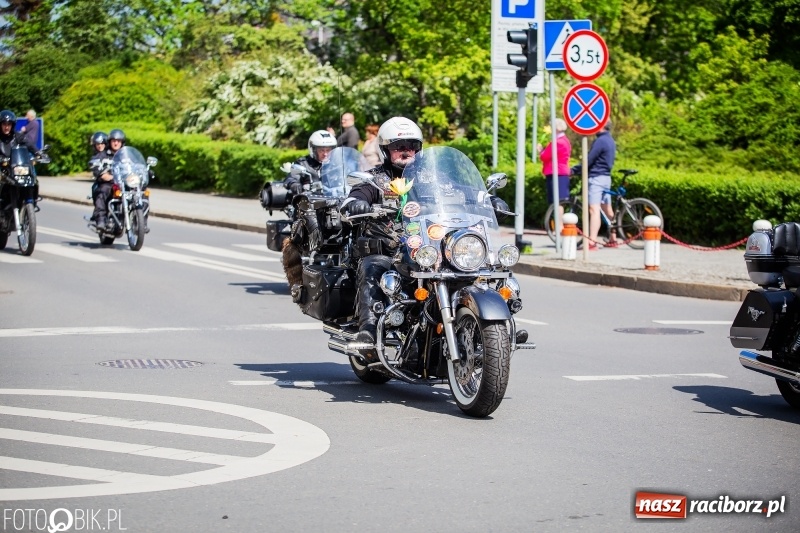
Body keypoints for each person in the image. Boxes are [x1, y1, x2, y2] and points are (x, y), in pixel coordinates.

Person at [338, 116, 422, 359]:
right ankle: (368, 329)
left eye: (412, 146)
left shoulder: (429, 178)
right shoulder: (375, 179)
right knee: (373, 265)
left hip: (426, 249)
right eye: (399, 146)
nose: (406, 151)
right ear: (386, 149)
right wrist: (355, 204)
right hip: (388, 251)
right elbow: (355, 196)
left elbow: (459, 192)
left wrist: (485, 199)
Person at [571, 120, 616, 250]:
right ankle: (613, 238)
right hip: (606, 177)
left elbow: (589, 159)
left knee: (594, 209)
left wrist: (575, 170)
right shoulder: (610, 140)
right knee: (607, 209)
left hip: (596, 178)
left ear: (601, 126)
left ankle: (592, 241)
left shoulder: (600, 141)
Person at [537, 118, 572, 234]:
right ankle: (558, 226)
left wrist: (540, 151)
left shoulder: (558, 142)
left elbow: (545, 156)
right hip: (560, 173)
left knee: (557, 202)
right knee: (559, 202)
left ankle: (559, 226)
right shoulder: (564, 141)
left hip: (556, 172)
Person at [90, 128, 126, 228]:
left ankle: (140, 222)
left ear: (122, 142)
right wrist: (103, 174)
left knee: (142, 193)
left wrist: (143, 170)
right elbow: (95, 163)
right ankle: (101, 219)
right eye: (114, 141)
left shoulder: (125, 154)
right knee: (102, 191)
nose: (116, 143)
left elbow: (135, 164)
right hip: (110, 183)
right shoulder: (103, 154)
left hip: (125, 183)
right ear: (110, 142)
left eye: (118, 141)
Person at [283, 130, 337, 195]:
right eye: (322, 150)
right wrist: (295, 185)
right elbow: (291, 178)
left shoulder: (335, 165)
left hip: (334, 199)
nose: (325, 154)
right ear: (314, 150)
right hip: (310, 199)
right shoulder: (303, 163)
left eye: (328, 150)